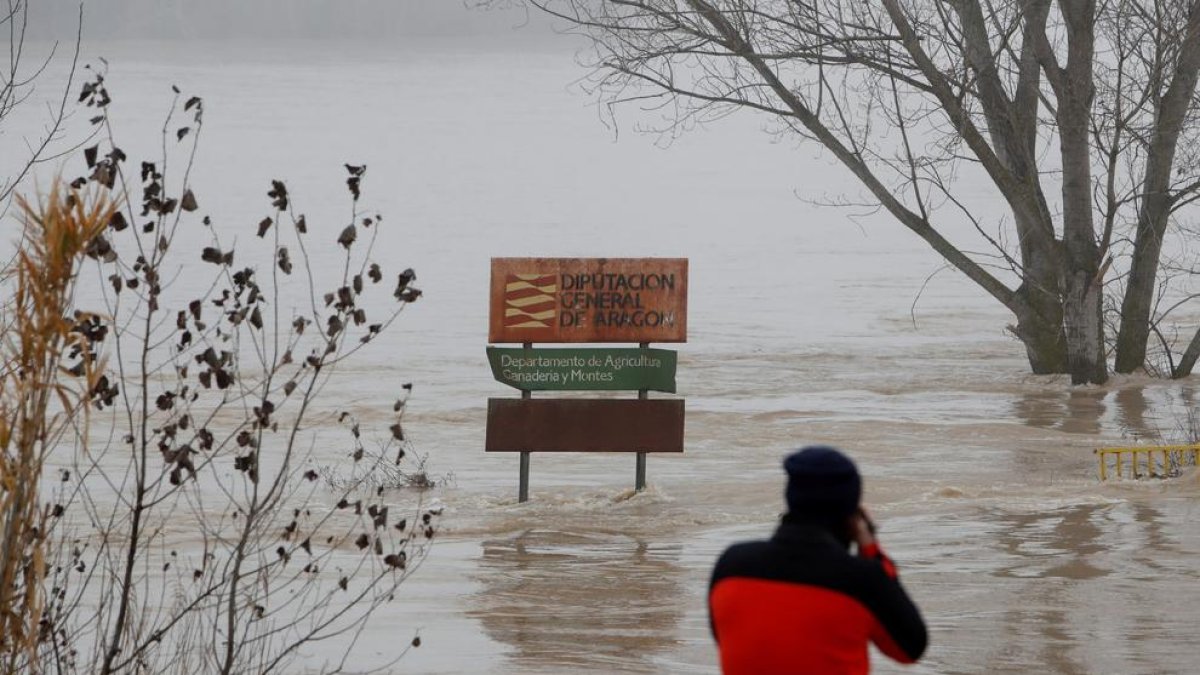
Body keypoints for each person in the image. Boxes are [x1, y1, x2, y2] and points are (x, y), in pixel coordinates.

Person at [708, 445, 927, 674]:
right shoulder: (861, 579)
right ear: (852, 514)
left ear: (790, 497)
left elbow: (725, 639)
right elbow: (910, 649)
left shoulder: (731, 566)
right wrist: (871, 548)